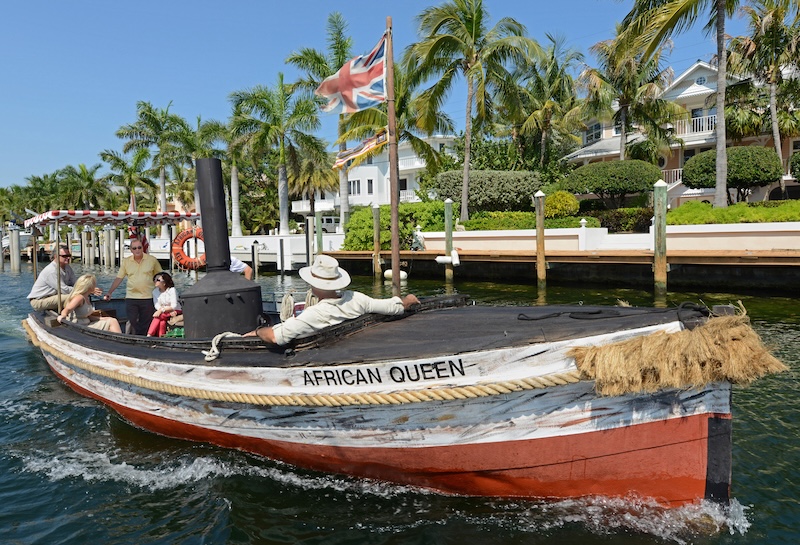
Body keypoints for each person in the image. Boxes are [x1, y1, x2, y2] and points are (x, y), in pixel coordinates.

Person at [246, 255, 419, 346]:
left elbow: (277, 337)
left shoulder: (316, 314)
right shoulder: (356, 299)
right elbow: (393, 307)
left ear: (314, 285)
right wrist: (407, 300)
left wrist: (259, 331)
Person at [103, 239, 163, 335]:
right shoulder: (126, 262)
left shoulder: (152, 260)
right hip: (131, 297)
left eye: (139, 247)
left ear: (143, 248)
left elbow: (160, 276)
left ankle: (144, 341)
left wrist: (165, 291)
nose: (137, 250)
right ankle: (134, 339)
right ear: (131, 250)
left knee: (146, 322)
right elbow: (119, 278)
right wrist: (110, 292)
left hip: (148, 297)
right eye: (134, 248)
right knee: (132, 321)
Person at [27, 244, 90, 311]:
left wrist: (88, 287)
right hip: (39, 300)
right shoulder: (52, 271)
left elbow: (76, 283)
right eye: (64, 256)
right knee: (78, 297)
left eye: (69, 256)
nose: (68, 258)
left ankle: (86, 311)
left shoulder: (67, 267)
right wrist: (85, 291)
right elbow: (64, 289)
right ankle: (79, 314)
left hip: (53, 296)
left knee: (83, 295)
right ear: (56, 256)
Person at [57, 274, 122, 333]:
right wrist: (63, 316)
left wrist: (103, 318)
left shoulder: (86, 297)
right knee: (113, 322)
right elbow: (67, 309)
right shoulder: (79, 298)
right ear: (89, 286)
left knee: (112, 320)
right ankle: (121, 343)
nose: (95, 287)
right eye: (94, 285)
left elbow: (87, 317)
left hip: (87, 324)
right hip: (80, 327)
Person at [147, 272, 181, 337]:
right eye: (154, 279)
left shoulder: (172, 290)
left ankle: (149, 335)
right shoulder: (155, 291)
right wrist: (161, 310)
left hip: (176, 310)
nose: (155, 281)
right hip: (164, 312)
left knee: (158, 316)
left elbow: (174, 306)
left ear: (164, 283)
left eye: (158, 280)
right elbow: (157, 305)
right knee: (162, 321)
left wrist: (161, 310)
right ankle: (161, 337)